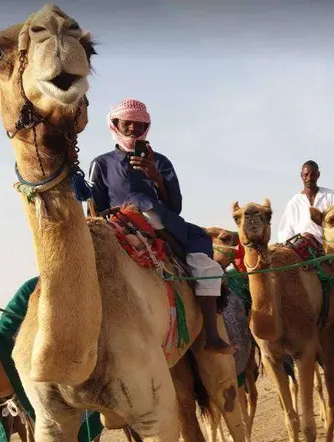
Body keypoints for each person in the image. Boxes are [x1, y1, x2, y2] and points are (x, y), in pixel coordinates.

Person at [88, 98, 230, 353]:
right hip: (119, 224)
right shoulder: (101, 164)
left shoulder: (160, 162)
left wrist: (155, 176)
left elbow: (175, 205)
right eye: (128, 123)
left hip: (162, 219)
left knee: (203, 263)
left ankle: (211, 332)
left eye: (140, 125)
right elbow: (94, 209)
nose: (133, 128)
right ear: (115, 124)